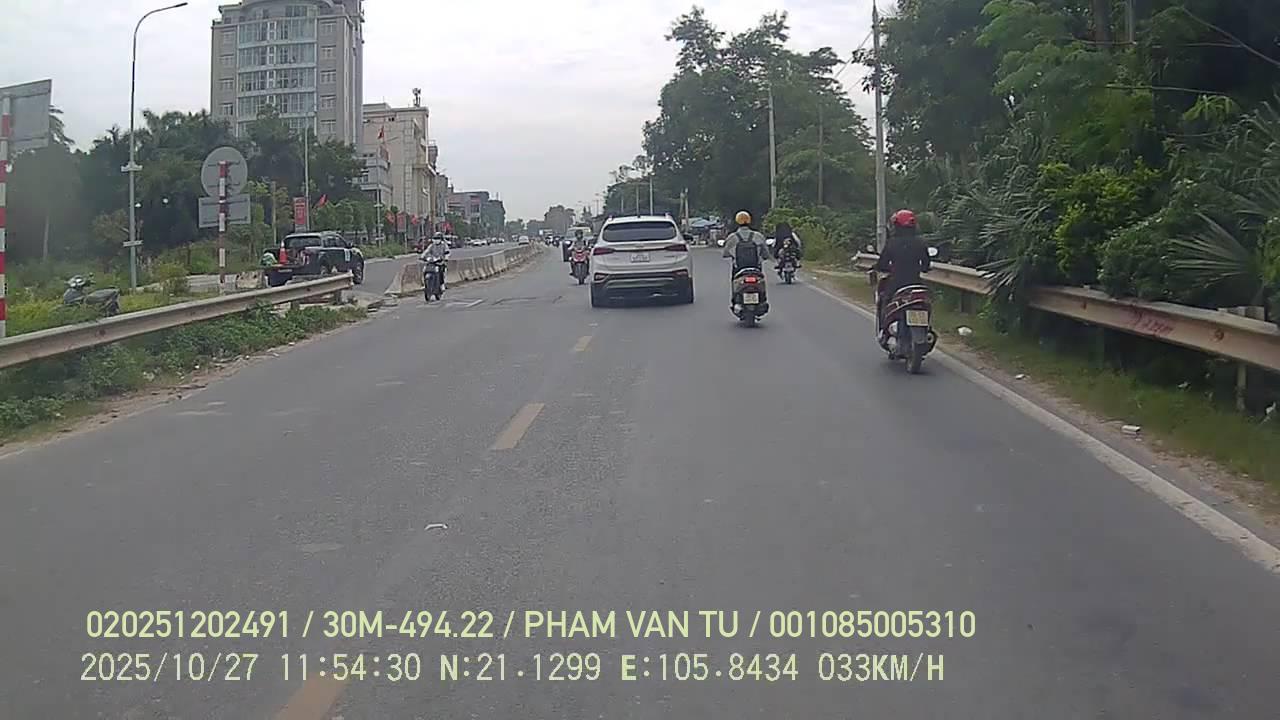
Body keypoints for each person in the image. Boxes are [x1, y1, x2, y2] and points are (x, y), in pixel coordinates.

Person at [873, 209, 931, 331]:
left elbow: (882, 264)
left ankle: (884, 329)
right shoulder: (921, 243)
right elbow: (926, 265)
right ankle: (927, 327)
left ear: (897, 226)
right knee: (926, 301)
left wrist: (886, 268)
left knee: (885, 300)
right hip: (915, 282)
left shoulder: (892, 243)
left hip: (896, 283)